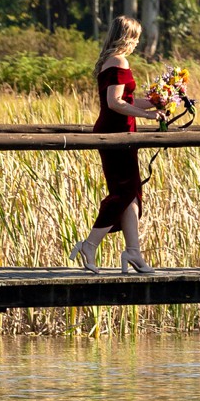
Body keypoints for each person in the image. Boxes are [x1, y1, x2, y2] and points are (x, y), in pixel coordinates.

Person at [69, 14, 153, 273]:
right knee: (124, 192)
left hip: (122, 131)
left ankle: (133, 253)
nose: (138, 43)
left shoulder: (110, 60)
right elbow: (115, 102)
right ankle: (90, 244)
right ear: (126, 37)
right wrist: (147, 115)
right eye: (136, 37)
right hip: (115, 132)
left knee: (131, 194)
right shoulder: (118, 60)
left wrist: (155, 102)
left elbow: (126, 98)